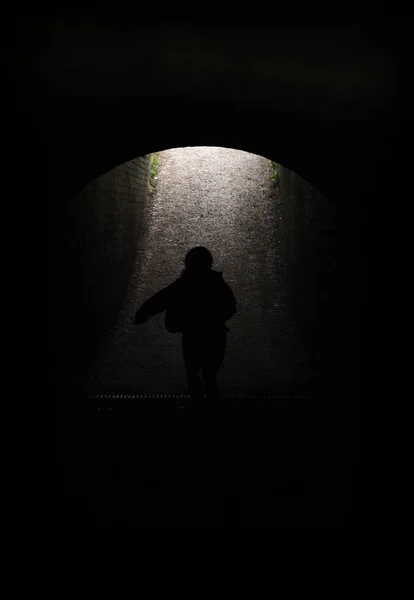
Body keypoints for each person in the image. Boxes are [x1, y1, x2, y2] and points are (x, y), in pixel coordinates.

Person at [134, 246, 236, 412]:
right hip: (215, 335)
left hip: (192, 336)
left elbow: (162, 298)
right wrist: (216, 319)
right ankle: (213, 407)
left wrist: (144, 312)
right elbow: (231, 307)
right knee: (210, 375)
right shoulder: (218, 283)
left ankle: (196, 406)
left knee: (192, 373)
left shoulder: (184, 283)